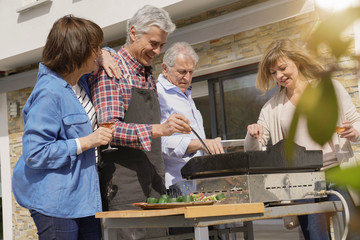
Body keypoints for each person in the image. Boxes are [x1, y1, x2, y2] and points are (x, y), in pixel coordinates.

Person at [89, 5, 191, 239]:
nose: (157, 51)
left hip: (153, 178)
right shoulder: (112, 71)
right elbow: (109, 129)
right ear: (133, 33)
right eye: (153, 43)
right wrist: (159, 129)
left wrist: (169, 126)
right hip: (124, 185)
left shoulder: (147, 75)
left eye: (162, 45)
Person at [244, 38, 360, 240]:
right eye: (273, 73)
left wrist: (355, 132)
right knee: (316, 236)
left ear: (296, 61)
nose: (279, 76)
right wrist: (252, 135)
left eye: (282, 68)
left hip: (337, 172)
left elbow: (357, 122)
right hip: (303, 183)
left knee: (353, 233)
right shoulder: (272, 108)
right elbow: (253, 150)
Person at [12, 15, 114, 240]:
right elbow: (35, 153)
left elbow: (109, 52)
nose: (98, 53)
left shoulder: (79, 82)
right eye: (94, 48)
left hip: (83, 199)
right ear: (77, 51)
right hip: (55, 202)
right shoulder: (49, 93)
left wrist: (106, 53)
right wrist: (88, 141)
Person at [157, 42, 224, 189]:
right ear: (165, 68)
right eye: (181, 72)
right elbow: (159, 142)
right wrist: (201, 144)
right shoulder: (158, 95)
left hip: (197, 181)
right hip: (175, 185)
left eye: (191, 72)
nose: (187, 78)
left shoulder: (186, 95)